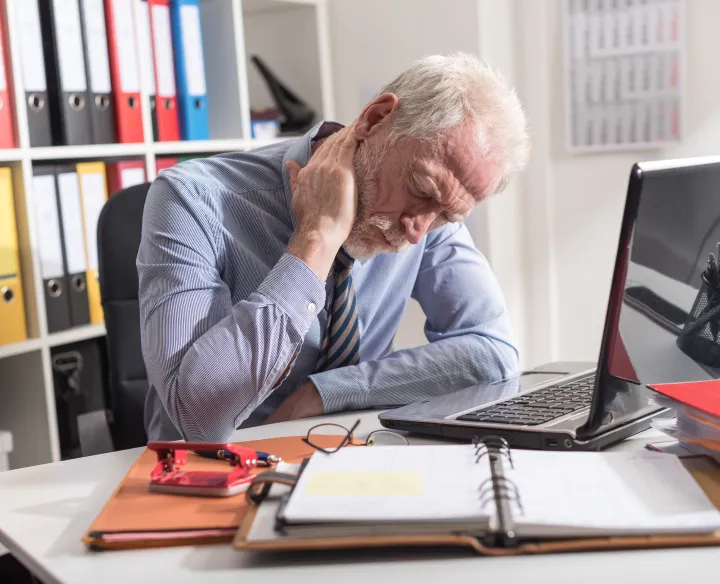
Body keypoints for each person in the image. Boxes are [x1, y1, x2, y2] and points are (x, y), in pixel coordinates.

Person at [137, 52, 530, 442]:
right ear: (376, 119)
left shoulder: (430, 211)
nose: (417, 231)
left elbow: (492, 350)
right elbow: (198, 419)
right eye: (421, 189)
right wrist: (317, 237)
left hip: (341, 459)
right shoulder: (191, 198)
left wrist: (327, 392)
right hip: (206, 478)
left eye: (447, 215)